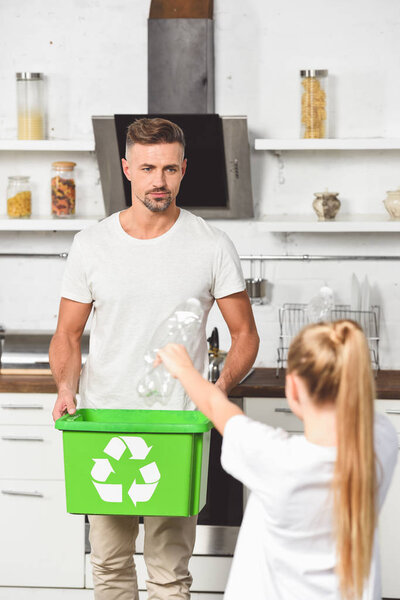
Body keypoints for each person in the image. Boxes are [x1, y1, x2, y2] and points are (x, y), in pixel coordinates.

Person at [49, 117, 259, 600]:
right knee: (109, 565)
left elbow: (245, 334)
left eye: (168, 169)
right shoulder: (92, 244)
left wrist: (217, 389)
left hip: (176, 428)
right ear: (127, 169)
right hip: (103, 423)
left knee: (169, 572)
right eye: (147, 168)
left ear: (184, 169)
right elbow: (67, 334)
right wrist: (65, 386)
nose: (158, 181)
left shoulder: (210, 245)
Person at [156, 320, 398, 600]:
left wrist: (184, 369)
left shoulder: (277, 459)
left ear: (293, 388)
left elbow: (215, 406)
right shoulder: (381, 441)